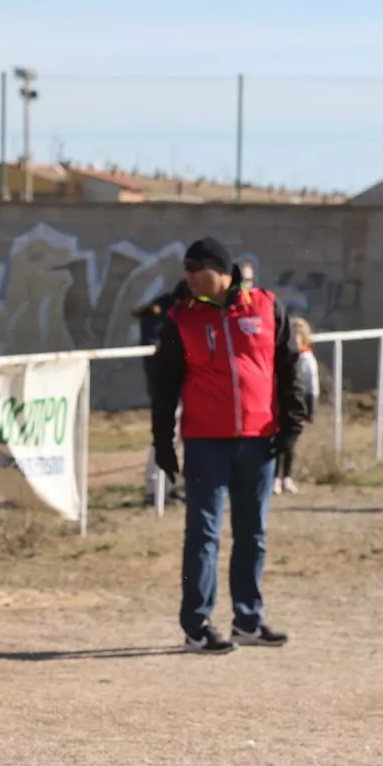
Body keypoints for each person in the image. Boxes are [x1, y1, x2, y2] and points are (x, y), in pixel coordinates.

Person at [149, 237, 309, 655]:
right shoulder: (181, 319)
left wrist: (291, 424)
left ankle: (248, 619)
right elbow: (163, 384)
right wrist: (162, 440)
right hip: (205, 442)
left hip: (259, 440)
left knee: (252, 533)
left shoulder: (267, 308)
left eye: (195, 268)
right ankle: (197, 625)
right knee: (202, 534)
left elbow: (289, 366)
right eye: (184, 269)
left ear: (221, 271)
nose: (188, 277)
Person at [133, 280, 189, 507]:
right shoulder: (162, 317)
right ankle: (155, 489)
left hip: (176, 383)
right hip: (166, 385)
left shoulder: (167, 314)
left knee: (175, 436)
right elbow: (158, 353)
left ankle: (166, 486)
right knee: (166, 434)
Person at [274, 317, 318, 495]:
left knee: (289, 444)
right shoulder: (280, 357)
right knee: (278, 442)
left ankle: (286, 477)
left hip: (296, 404)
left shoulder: (306, 360)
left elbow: (311, 385)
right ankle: (275, 478)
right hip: (278, 403)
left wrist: (310, 408)